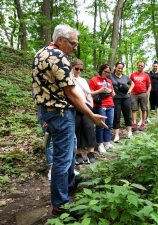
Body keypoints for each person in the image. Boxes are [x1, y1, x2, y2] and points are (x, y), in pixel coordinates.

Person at [32, 24, 107, 217]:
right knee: (63, 159)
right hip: (61, 113)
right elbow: (72, 93)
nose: (75, 47)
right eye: (72, 43)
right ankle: (60, 206)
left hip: (49, 111)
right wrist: (91, 115)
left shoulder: (41, 53)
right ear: (60, 41)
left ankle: (70, 183)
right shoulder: (59, 58)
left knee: (70, 148)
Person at [72, 58, 97, 164]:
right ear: (71, 67)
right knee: (77, 129)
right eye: (76, 68)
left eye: (81, 69)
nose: (78, 71)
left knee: (89, 127)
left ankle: (91, 153)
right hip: (74, 107)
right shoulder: (68, 79)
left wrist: (90, 104)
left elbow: (88, 94)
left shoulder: (83, 80)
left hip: (86, 106)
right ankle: (78, 154)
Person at [89, 64, 115, 153]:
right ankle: (100, 144)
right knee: (101, 124)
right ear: (101, 70)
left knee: (109, 124)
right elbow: (90, 93)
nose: (107, 73)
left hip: (110, 104)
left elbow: (113, 94)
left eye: (108, 72)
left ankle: (107, 142)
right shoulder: (94, 80)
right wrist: (100, 90)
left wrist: (110, 91)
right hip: (100, 105)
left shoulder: (109, 81)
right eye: (105, 71)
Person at [110, 62, 134, 142]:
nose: (120, 69)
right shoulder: (111, 76)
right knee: (116, 116)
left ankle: (129, 133)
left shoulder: (125, 77)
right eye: (118, 68)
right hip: (116, 99)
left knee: (128, 115)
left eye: (121, 68)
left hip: (126, 98)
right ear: (115, 67)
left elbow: (132, 83)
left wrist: (130, 90)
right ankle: (117, 135)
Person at [130, 61, 151, 131]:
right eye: (139, 65)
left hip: (143, 94)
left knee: (144, 109)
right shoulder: (132, 75)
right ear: (137, 66)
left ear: (144, 67)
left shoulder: (146, 75)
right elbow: (129, 84)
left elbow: (149, 85)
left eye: (142, 66)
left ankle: (142, 123)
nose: (140, 67)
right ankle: (134, 124)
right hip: (133, 94)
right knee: (134, 109)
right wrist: (129, 91)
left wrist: (147, 92)